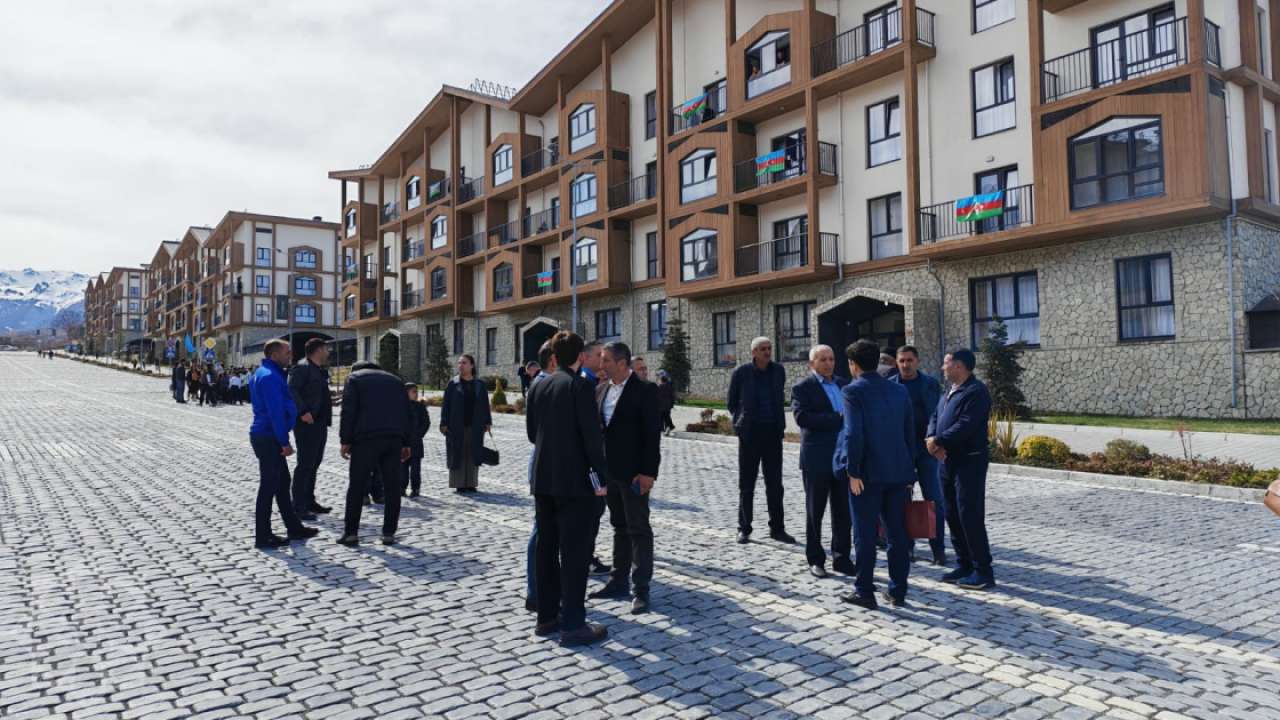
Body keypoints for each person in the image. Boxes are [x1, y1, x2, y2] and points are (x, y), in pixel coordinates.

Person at [526, 331, 612, 646]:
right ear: (580, 357)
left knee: (546, 550)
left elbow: (532, 433)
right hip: (574, 483)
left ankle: (546, 617)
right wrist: (601, 478)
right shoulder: (579, 386)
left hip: (543, 479)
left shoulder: (539, 385)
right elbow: (591, 438)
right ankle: (574, 624)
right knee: (575, 554)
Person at [834, 339, 916, 609]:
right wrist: (909, 472)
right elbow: (909, 432)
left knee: (865, 535)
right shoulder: (899, 390)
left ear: (853, 365)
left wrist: (853, 471)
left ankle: (864, 591)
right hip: (898, 472)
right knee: (897, 535)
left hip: (867, 475)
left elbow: (853, 433)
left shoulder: (852, 391)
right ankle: (898, 591)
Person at [588, 342, 661, 614]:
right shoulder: (600, 390)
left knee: (638, 529)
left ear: (621, 363)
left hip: (635, 474)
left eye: (606, 360)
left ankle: (640, 589)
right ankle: (618, 581)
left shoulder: (645, 390)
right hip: (610, 473)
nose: (601, 365)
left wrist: (648, 473)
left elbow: (651, 436)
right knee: (619, 526)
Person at [927, 349, 996, 590]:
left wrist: (939, 441)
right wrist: (931, 437)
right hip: (946, 461)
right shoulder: (949, 390)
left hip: (969, 461)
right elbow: (935, 416)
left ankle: (982, 570)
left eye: (946, 363)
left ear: (958, 366)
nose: (942, 367)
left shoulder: (976, 392)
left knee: (969, 514)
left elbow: (966, 424)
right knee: (952, 513)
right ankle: (964, 564)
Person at [248, 340, 318, 549]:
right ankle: (263, 536)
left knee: (281, 483)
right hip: (269, 436)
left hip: (267, 435)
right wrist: (284, 442)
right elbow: (275, 413)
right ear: (274, 355)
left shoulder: (266, 373)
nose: (291, 355)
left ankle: (294, 527)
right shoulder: (270, 377)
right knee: (268, 487)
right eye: (287, 352)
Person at [791, 345, 852, 579]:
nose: (828, 363)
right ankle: (816, 559)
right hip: (817, 459)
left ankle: (842, 557)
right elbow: (802, 417)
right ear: (812, 363)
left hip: (842, 458)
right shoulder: (802, 388)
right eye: (823, 360)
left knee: (843, 511)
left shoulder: (843, 384)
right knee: (815, 511)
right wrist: (837, 419)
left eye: (831, 359)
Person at [337, 360, 412, 546]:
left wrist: (345, 440)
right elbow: (406, 413)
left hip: (365, 440)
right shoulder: (396, 380)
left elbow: (348, 411)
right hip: (393, 439)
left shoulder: (354, 379)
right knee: (392, 487)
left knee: (357, 486)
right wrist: (406, 442)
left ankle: (351, 533)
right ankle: (389, 533)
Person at [727, 337, 793, 545]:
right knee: (747, 484)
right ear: (753, 352)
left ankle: (777, 528)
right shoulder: (741, 372)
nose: (767, 352)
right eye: (763, 349)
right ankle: (744, 528)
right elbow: (731, 403)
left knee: (775, 485)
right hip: (750, 435)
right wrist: (741, 422)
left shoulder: (778, 371)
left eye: (769, 348)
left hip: (773, 433)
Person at [890, 345, 946, 565]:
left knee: (934, 499)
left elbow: (938, 414)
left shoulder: (930, 384)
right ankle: (907, 548)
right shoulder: (890, 385)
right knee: (902, 501)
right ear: (896, 362)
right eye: (902, 361)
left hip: (926, 450)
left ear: (917, 361)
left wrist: (936, 440)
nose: (906, 364)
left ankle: (938, 549)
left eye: (909, 360)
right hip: (901, 451)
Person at [289, 338, 334, 520]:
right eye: (326, 349)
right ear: (319, 350)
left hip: (319, 423)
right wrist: (303, 411)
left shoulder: (318, 370)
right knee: (305, 464)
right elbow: (291, 390)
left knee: (314, 463)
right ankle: (298, 506)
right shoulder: (302, 367)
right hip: (306, 423)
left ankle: (309, 501)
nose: (328, 352)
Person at [525, 342, 555, 614]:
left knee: (545, 531)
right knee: (542, 532)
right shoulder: (546, 385)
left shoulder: (541, 383)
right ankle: (537, 592)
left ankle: (540, 592)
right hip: (549, 468)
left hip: (544, 467)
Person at [440, 354, 492, 494]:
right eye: (459, 363)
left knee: (473, 452)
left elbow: (485, 405)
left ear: (472, 365)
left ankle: (471, 483)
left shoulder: (479, 385)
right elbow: (446, 405)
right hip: (456, 424)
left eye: (464, 363)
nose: (460, 365)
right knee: (458, 452)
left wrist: (488, 421)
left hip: (475, 425)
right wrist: (444, 422)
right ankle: (459, 483)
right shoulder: (453, 384)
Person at [404, 383, 431, 497]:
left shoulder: (420, 407)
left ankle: (415, 488)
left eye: (417, 392)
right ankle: (401, 487)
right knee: (402, 468)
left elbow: (426, 422)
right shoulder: (400, 406)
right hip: (403, 442)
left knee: (415, 468)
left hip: (416, 442)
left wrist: (418, 434)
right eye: (413, 392)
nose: (416, 394)